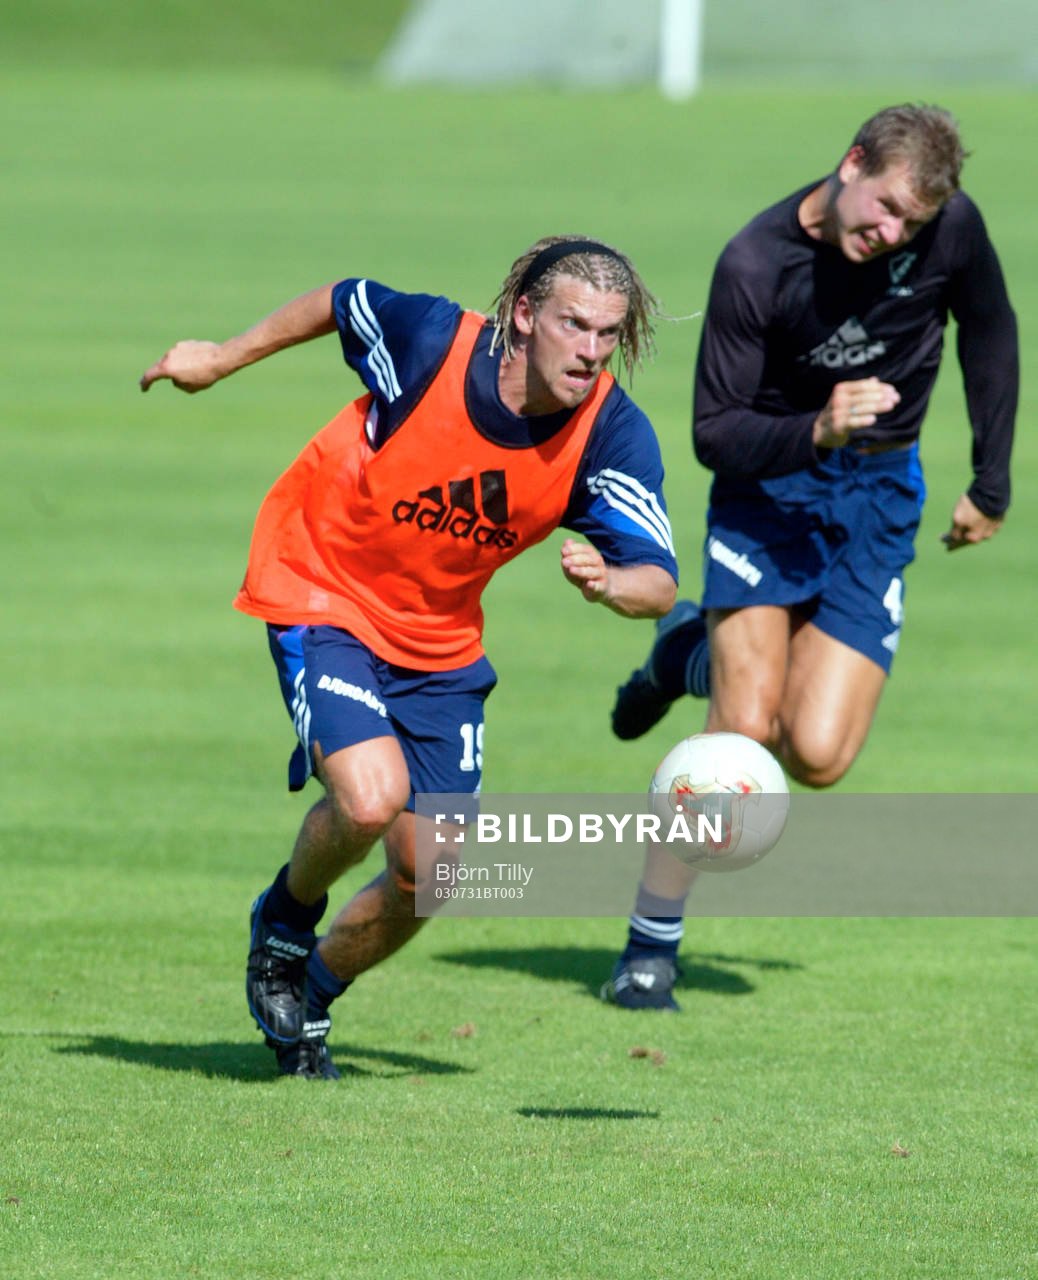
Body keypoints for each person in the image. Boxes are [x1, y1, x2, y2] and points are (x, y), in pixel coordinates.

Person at [140, 237, 679, 1076]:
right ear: (527, 315)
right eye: (575, 325)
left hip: (438, 643)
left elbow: (658, 583)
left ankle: (308, 997)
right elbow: (339, 296)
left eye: (608, 333)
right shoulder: (432, 343)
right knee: (368, 799)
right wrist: (222, 356)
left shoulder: (609, 432)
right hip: (321, 587)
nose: (591, 349)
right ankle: (283, 922)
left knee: (431, 877)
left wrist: (612, 581)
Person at [603, 104, 1018, 1011]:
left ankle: (687, 650)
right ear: (851, 162)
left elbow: (989, 329)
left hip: (880, 502)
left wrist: (991, 482)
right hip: (769, 496)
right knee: (741, 729)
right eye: (884, 210)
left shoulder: (951, 228)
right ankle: (648, 945)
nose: (893, 233)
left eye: (911, 223)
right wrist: (815, 429)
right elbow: (716, 435)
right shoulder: (756, 264)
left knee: (821, 755)